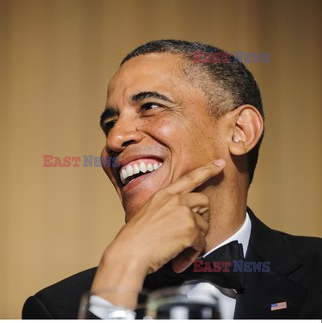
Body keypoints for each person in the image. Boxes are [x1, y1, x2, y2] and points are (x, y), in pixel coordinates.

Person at [22, 39, 322, 319]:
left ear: (240, 131)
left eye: (150, 106)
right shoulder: (55, 309)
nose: (115, 138)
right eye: (110, 124)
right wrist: (122, 268)